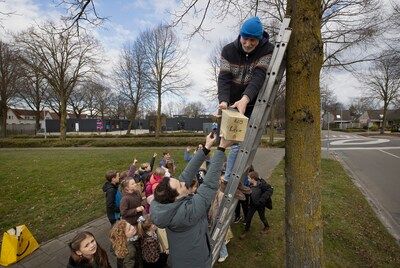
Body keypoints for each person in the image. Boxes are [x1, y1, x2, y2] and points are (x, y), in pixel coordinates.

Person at [150, 133, 233, 268]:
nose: (184, 183)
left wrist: (206, 148)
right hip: (196, 263)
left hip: (180, 258)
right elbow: (209, 185)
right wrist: (221, 149)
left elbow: (185, 175)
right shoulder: (186, 213)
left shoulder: (163, 203)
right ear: (176, 197)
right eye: (181, 185)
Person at [217, 16, 274, 184]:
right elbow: (224, 79)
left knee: (242, 143)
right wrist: (223, 100)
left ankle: (233, 180)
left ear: (259, 39)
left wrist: (246, 99)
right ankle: (232, 180)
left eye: (253, 40)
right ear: (240, 35)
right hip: (233, 102)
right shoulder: (228, 51)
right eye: (245, 38)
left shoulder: (267, 50)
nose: (248, 44)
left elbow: (259, 76)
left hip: (251, 101)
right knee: (233, 141)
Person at [240, 171, 273, 238]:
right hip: (252, 205)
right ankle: (246, 230)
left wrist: (262, 199)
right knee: (248, 218)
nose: (248, 180)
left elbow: (270, 189)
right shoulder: (250, 185)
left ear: (253, 179)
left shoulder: (262, 185)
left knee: (262, 217)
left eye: (249, 178)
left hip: (260, 205)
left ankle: (266, 227)